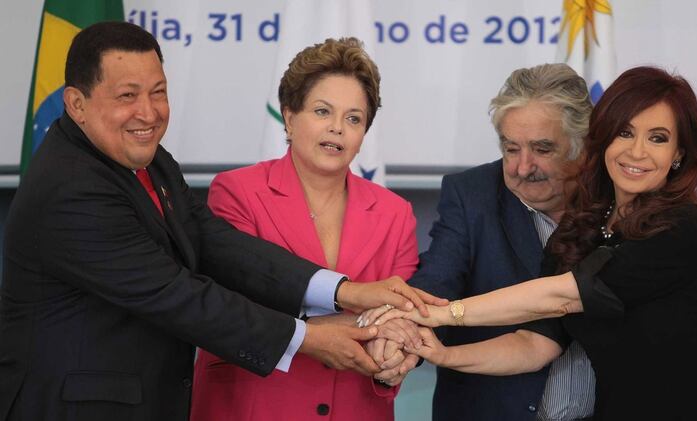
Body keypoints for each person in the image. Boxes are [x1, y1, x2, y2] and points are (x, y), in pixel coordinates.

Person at [0, 22, 441, 421]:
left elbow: (214, 242)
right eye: (127, 96)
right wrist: (306, 336)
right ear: (76, 103)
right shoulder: (71, 186)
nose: (149, 113)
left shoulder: (147, 159)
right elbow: (177, 294)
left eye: (159, 92)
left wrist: (345, 290)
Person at [372, 66, 697, 420]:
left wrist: (439, 314)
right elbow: (535, 345)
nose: (637, 151)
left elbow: (563, 296)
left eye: (658, 138)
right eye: (624, 133)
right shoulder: (583, 230)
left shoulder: (680, 225)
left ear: (678, 154)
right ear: (603, 141)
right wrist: (441, 352)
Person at [189, 37, 423, 421]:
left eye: (353, 118)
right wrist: (363, 322)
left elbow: (400, 318)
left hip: (355, 408)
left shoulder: (395, 213)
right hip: (254, 405)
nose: (337, 129)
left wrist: (396, 354)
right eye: (322, 111)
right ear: (289, 116)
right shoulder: (238, 192)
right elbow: (235, 305)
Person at [371, 63, 596, 421]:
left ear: (581, 147)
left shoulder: (617, 203)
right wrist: (404, 331)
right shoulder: (472, 195)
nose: (523, 167)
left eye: (542, 149)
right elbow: (437, 280)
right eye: (511, 149)